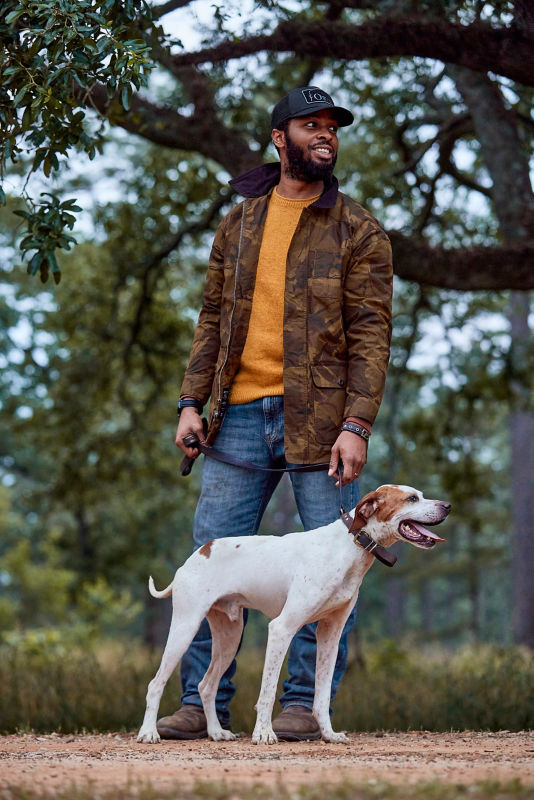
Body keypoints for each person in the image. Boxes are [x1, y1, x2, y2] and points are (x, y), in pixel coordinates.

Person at [157, 86, 393, 741]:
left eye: (332, 128)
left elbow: (372, 331)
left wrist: (357, 424)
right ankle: (199, 707)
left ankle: (301, 708)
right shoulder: (239, 223)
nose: (325, 135)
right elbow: (211, 318)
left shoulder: (359, 228)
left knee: (337, 569)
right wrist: (189, 404)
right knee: (210, 564)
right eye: (310, 125)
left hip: (324, 425)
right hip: (234, 419)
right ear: (278, 139)